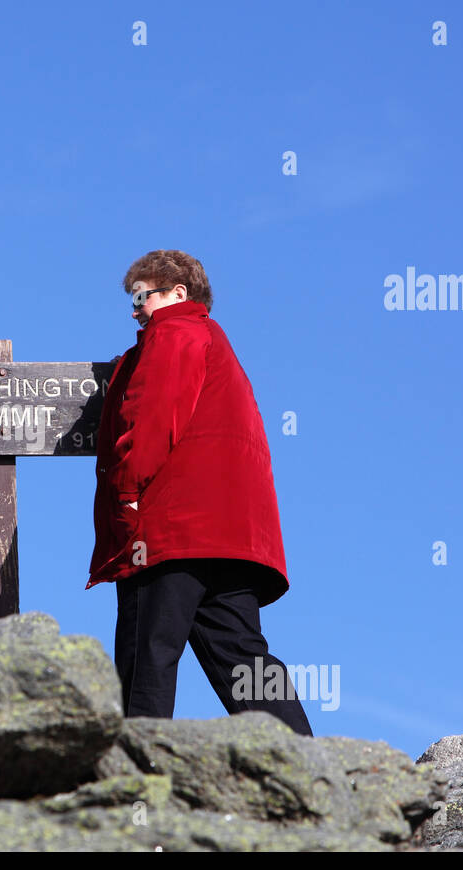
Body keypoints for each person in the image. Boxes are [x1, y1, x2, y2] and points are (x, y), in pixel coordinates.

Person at [86, 249, 312, 735]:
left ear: (178, 294)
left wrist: (128, 497)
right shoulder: (215, 342)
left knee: (146, 659)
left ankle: (133, 785)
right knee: (243, 659)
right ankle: (314, 767)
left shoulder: (174, 333)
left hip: (171, 530)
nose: (135, 309)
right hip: (232, 539)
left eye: (142, 296)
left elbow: (150, 419)